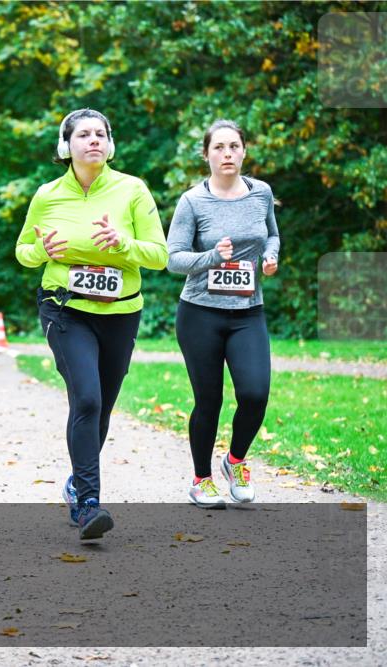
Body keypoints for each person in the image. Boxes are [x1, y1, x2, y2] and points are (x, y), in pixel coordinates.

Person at [15, 108, 167, 539]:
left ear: (110, 144)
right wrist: (42, 251)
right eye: (83, 134)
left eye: (101, 133)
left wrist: (124, 243)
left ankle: (76, 482)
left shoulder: (132, 190)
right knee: (87, 399)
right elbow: (23, 251)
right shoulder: (47, 195)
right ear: (66, 146)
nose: (94, 140)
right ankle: (88, 505)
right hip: (65, 308)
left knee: (102, 407)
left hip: (120, 313)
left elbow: (159, 255)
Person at [167, 119, 279, 509]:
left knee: (255, 394)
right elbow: (173, 259)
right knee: (208, 400)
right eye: (219, 147)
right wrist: (214, 256)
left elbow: (272, 234)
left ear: (244, 152)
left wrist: (270, 256)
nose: (227, 153)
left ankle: (235, 461)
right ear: (206, 155)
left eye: (234, 146)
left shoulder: (261, 193)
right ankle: (202, 480)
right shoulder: (192, 201)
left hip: (247, 312)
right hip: (200, 313)